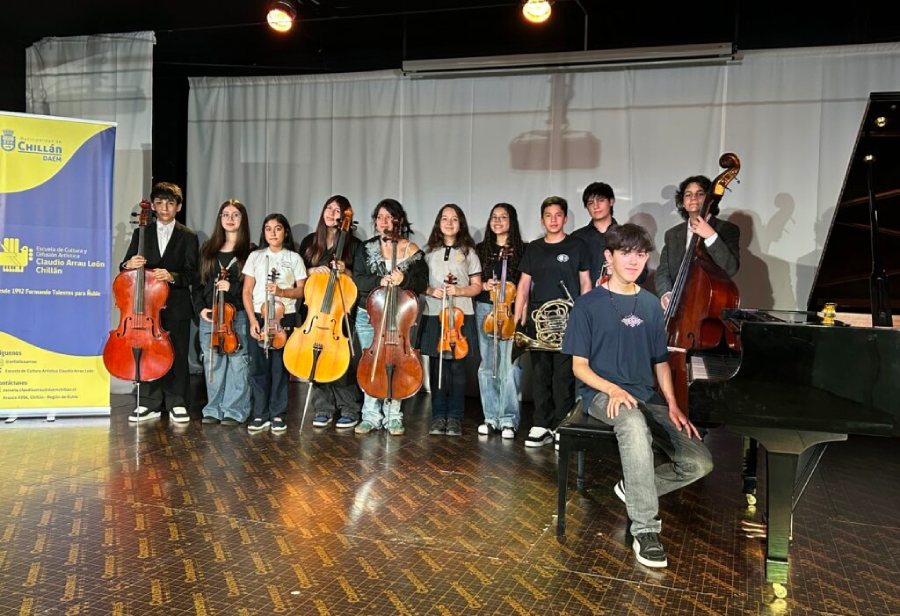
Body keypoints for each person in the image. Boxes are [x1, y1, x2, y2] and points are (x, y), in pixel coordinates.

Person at [562, 223, 713, 569]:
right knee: (631, 424)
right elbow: (579, 368)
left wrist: (674, 405)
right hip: (602, 394)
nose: (634, 260)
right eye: (626, 253)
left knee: (699, 462)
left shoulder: (650, 306)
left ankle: (634, 487)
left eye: (641, 254)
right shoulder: (587, 305)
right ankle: (646, 530)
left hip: (645, 396)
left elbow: (661, 361)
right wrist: (613, 389)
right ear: (609, 256)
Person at [514, 196, 591, 447]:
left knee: (564, 377)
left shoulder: (577, 246)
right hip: (539, 321)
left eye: (558, 215)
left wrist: (586, 315)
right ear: (542, 219)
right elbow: (524, 285)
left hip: (569, 320)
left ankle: (561, 425)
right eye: (548, 215)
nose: (554, 220)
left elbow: (585, 283)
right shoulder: (533, 248)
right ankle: (540, 424)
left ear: (565, 218)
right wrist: (517, 320)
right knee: (540, 375)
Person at [122, 182, 199, 423]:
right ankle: (148, 402)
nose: (164, 207)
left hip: (175, 304)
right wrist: (128, 265)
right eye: (160, 203)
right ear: (153, 207)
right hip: (145, 306)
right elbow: (124, 268)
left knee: (176, 351)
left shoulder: (188, 236)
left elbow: (193, 275)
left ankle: (177, 401)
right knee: (148, 352)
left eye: (170, 203)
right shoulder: (140, 233)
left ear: (178, 207)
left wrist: (173, 276)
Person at [352, 199, 427, 436]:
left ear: (400, 220)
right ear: (375, 221)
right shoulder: (365, 249)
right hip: (370, 316)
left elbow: (421, 282)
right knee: (371, 365)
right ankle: (370, 416)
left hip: (401, 318)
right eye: (380, 217)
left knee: (397, 362)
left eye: (390, 217)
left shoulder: (412, 251)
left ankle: (394, 415)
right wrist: (380, 281)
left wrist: (403, 280)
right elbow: (358, 280)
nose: (385, 221)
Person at [297, 195, 362, 430]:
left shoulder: (354, 246)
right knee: (316, 357)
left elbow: (359, 278)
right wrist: (313, 269)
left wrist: (347, 271)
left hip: (340, 310)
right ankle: (323, 408)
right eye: (328, 208)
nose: (332, 213)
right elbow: (299, 272)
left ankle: (349, 408)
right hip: (315, 309)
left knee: (339, 359)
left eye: (338, 210)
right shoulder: (310, 241)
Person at [419, 204, 482, 437]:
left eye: (454, 219)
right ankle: (438, 416)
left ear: (461, 223)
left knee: (457, 369)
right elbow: (420, 284)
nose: (449, 222)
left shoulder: (468, 252)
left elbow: (477, 287)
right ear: (438, 223)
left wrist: (459, 291)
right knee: (436, 367)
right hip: (435, 314)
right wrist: (429, 290)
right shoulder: (428, 253)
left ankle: (455, 417)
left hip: (460, 316)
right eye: (444, 218)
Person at [242, 214, 306, 433]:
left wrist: (281, 291)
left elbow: (301, 290)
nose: (273, 233)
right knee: (258, 368)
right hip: (260, 314)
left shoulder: (294, 257)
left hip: (283, 316)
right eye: (268, 229)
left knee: (279, 369)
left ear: (285, 232)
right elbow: (247, 291)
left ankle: (278, 414)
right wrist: (252, 321)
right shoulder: (255, 256)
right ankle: (260, 414)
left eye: (277, 229)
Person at [194, 199, 252, 426]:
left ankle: (235, 410)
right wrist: (200, 309)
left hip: (237, 316)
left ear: (242, 220)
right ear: (220, 219)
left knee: (239, 363)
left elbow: (251, 288)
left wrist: (233, 289)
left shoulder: (250, 251)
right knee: (213, 363)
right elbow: (197, 284)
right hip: (212, 316)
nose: (230, 218)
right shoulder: (208, 249)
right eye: (225, 214)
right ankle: (213, 409)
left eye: (235, 215)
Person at [474, 203, 526, 439]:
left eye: (503, 217)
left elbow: (525, 285)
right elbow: (474, 282)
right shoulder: (480, 249)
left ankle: (508, 419)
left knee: (510, 364)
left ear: (511, 221)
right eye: (494, 217)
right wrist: (486, 285)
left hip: (510, 311)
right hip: (486, 308)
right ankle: (490, 416)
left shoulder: (522, 250)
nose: (498, 221)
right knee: (488, 363)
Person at [655, 175, 740, 310]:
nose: (693, 198)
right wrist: (666, 293)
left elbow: (730, 268)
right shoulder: (672, 234)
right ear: (683, 202)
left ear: (709, 200)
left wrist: (711, 235)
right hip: (677, 309)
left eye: (700, 194)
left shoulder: (727, 230)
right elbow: (663, 271)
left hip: (709, 306)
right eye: (688, 195)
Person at [571, 181, 647, 286]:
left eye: (600, 200)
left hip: (621, 298)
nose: (595, 206)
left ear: (611, 202)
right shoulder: (577, 237)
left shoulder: (627, 236)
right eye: (590, 203)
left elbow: (642, 274)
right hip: (587, 299)